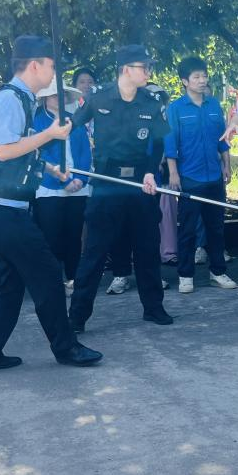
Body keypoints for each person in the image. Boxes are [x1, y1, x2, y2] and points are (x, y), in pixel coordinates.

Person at [0, 36, 101, 374]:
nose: (54, 73)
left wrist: (50, 168)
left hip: (1, 207)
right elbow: (3, 150)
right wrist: (50, 135)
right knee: (46, 273)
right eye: (52, 66)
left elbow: (21, 150)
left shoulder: (21, 99)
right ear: (34, 65)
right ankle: (66, 347)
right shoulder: (10, 99)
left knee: (11, 282)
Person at [68, 45, 175, 330]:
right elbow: (71, 127)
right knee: (94, 252)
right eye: (144, 67)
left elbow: (158, 142)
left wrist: (151, 171)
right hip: (107, 184)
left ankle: (153, 307)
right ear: (126, 69)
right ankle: (76, 317)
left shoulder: (152, 101)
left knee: (147, 248)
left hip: (140, 182)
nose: (148, 73)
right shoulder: (98, 97)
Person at [165, 56, 238, 294]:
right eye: (196, 77)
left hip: (214, 176)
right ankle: (186, 275)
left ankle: (218, 271)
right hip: (189, 176)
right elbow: (170, 143)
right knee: (187, 229)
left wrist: (226, 165)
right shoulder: (176, 109)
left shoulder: (214, 105)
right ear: (185, 81)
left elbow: (222, 140)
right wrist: (173, 173)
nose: (201, 80)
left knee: (216, 227)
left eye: (204, 76)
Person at [32, 81, 92, 293]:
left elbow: (85, 151)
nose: (59, 98)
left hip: (78, 187)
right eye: (54, 95)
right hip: (49, 188)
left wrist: (80, 179)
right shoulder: (38, 121)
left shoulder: (74, 121)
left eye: (62, 95)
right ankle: (53, 281)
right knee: (51, 237)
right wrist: (64, 181)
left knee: (74, 236)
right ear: (45, 98)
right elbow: (41, 154)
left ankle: (74, 279)